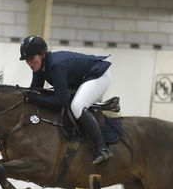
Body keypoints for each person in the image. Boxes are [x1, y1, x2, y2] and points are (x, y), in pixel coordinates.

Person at [20, 35, 112, 165]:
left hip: (99, 75)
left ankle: (102, 148)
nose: (29, 62)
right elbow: (36, 91)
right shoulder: (39, 67)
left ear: (42, 54)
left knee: (77, 106)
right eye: (26, 59)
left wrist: (34, 98)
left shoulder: (56, 66)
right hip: (83, 79)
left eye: (31, 58)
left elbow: (60, 100)